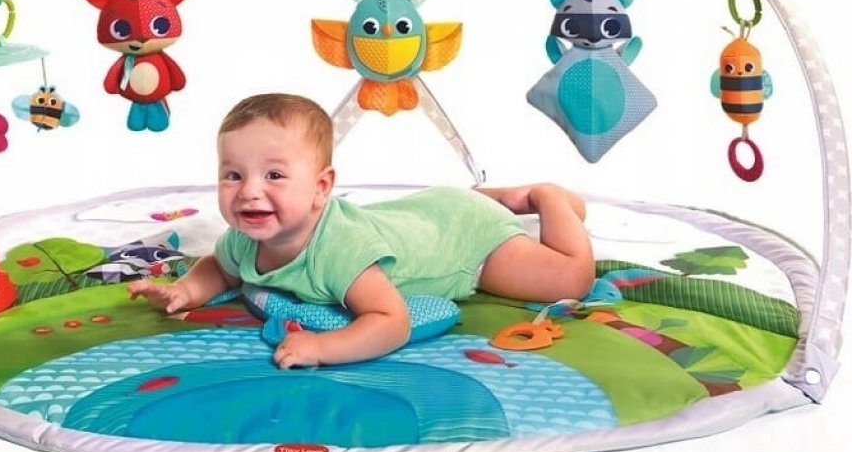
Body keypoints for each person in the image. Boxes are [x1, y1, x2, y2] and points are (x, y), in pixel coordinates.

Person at [128, 93, 594, 368]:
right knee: (436, 210)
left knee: (569, 279)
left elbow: (391, 320)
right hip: (428, 210)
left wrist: (322, 347)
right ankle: (497, 196)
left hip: (462, 241)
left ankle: (546, 198)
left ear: (321, 188)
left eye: (274, 175)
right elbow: (221, 268)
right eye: (233, 175)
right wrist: (184, 291)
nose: (249, 192)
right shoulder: (246, 238)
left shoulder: (341, 251)